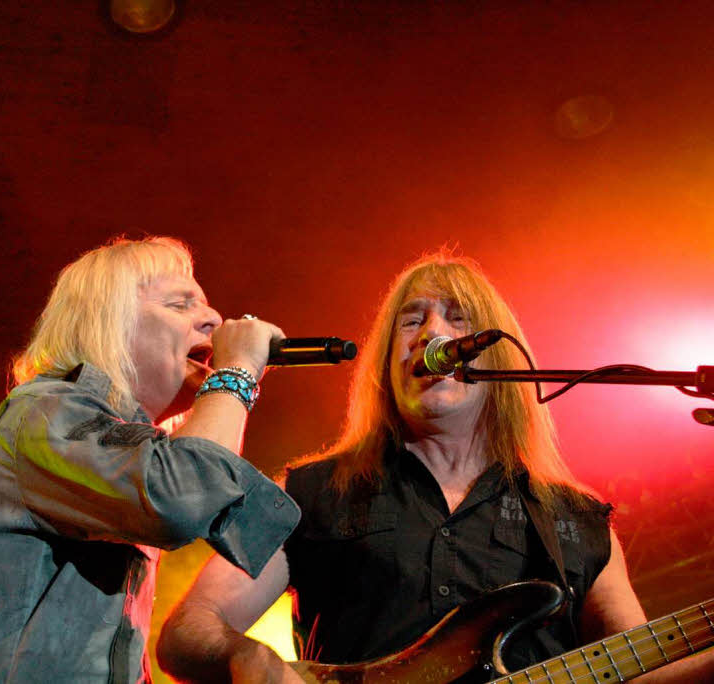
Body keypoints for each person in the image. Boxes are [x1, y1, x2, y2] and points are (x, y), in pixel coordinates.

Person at [157, 250, 714, 683]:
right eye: (411, 321)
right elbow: (187, 633)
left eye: (458, 318)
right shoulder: (311, 492)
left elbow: (642, 669)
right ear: (386, 364)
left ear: (494, 354)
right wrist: (253, 659)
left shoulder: (576, 517)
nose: (432, 334)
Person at [0, 236, 300, 683]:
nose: (213, 319)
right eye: (180, 304)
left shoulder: (124, 453)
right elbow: (182, 497)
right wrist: (236, 374)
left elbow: (206, 498)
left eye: (205, 304)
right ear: (110, 323)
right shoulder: (45, 414)